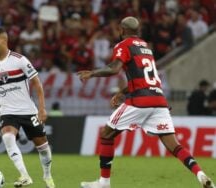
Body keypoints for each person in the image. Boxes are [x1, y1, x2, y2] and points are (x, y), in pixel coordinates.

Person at [77, 16, 215, 188]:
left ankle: (104, 182)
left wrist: (92, 73)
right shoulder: (146, 48)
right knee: (174, 145)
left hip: (140, 101)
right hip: (158, 101)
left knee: (106, 133)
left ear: (122, 30)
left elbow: (114, 68)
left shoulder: (123, 45)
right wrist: (122, 92)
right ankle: (200, 174)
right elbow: (146, 79)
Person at [0, 27, 55, 188]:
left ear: (5, 41)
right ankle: (24, 175)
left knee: (43, 147)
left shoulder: (20, 60)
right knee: (7, 137)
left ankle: (47, 175)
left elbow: (37, 83)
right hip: (7, 112)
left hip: (28, 111)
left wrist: (42, 108)